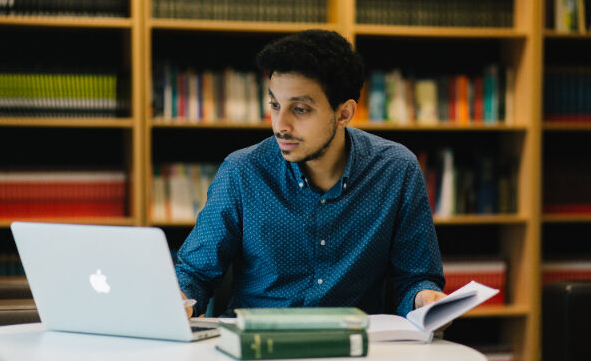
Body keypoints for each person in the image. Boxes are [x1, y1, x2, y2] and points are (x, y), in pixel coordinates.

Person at [175, 29, 445, 319]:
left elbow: (416, 278)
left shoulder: (395, 170)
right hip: (257, 347)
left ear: (344, 113)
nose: (281, 125)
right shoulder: (242, 172)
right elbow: (194, 274)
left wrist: (425, 299)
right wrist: (177, 299)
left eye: (300, 109)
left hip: (350, 347)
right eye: (275, 105)